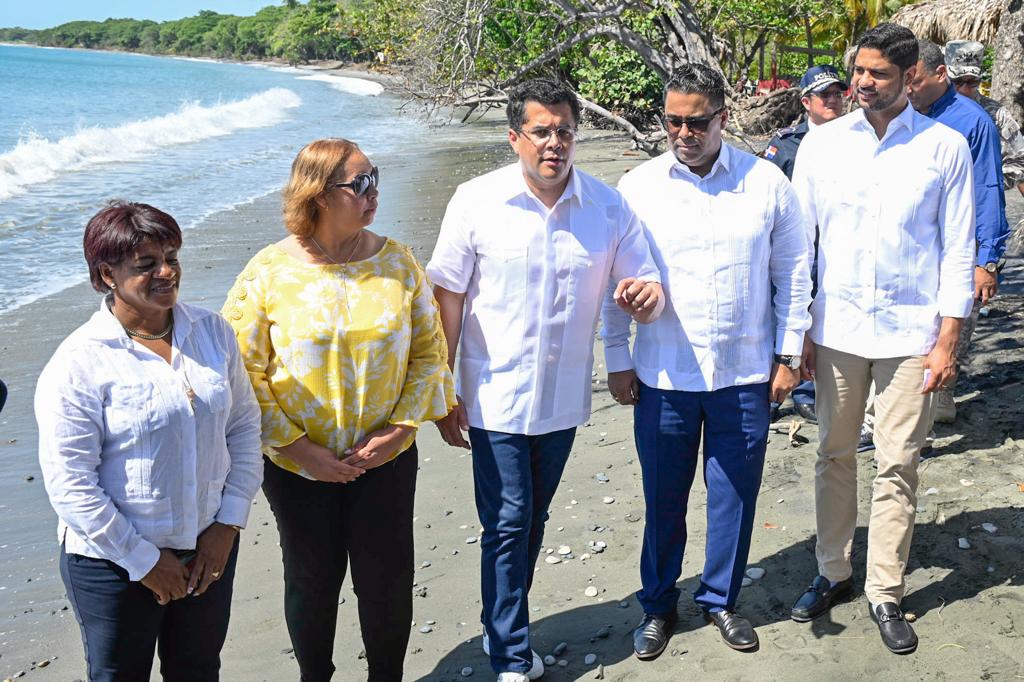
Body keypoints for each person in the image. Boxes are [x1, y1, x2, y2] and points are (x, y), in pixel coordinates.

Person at [428, 78, 663, 682]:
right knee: (508, 520)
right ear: (515, 139)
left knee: (530, 519)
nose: (554, 143)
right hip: (492, 395)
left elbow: (645, 281)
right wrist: (441, 387)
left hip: (562, 399)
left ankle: (500, 621)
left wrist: (644, 295)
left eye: (564, 131)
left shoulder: (607, 207)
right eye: (541, 132)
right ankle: (510, 654)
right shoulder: (476, 200)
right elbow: (447, 297)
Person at [223, 139, 456, 682]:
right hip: (297, 467)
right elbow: (240, 371)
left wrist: (399, 429)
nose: (373, 193)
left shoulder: (398, 262)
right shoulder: (268, 272)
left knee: (387, 581)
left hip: (385, 459)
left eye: (375, 178)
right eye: (359, 184)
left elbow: (431, 352)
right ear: (318, 194)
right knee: (310, 580)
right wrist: (299, 448)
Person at [605, 64, 812, 659]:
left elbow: (794, 274)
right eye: (673, 120)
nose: (683, 133)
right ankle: (657, 606)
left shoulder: (765, 182)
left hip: (744, 374)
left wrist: (788, 356)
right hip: (663, 375)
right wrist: (617, 356)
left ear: (722, 117)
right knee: (663, 499)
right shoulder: (637, 187)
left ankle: (720, 599)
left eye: (697, 121)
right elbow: (613, 277)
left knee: (734, 498)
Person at [789, 24, 976, 655]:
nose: (863, 83)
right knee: (833, 454)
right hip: (836, 329)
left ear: (911, 77)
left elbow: (958, 249)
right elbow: (799, 245)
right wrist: (798, 331)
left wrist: (947, 341)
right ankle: (833, 571)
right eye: (858, 72)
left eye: (879, 74)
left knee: (898, 463)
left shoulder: (944, 147)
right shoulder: (821, 147)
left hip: (910, 333)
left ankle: (885, 591)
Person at [35, 201, 264, 681]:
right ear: (107, 275)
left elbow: (243, 427)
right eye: (146, 264)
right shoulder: (79, 361)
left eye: (172, 258)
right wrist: (144, 561)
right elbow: (70, 483)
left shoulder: (212, 332)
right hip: (112, 564)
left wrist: (227, 525)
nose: (166, 271)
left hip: (207, 550)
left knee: (198, 670)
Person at [907, 39, 1009, 424]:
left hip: (958, 248)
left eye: (916, 80)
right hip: (912, 248)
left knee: (951, 331)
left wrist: (987, 261)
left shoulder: (974, 122)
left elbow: (988, 191)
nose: (909, 88)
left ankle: (939, 397)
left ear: (940, 73)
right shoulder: (899, 113)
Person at [763, 63, 848, 424]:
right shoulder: (786, 144)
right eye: (823, 94)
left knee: (818, 320)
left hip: (831, 246)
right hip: (788, 246)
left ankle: (807, 390)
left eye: (837, 93)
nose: (832, 100)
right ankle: (771, 391)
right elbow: (765, 192)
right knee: (781, 315)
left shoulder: (856, 140)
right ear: (805, 102)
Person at [945, 40, 1024, 200]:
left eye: (972, 82)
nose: (964, 89)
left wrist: (986, 183)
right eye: (957, 81)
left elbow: (1020, 160)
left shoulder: (997, 114)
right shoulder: (929, 107)